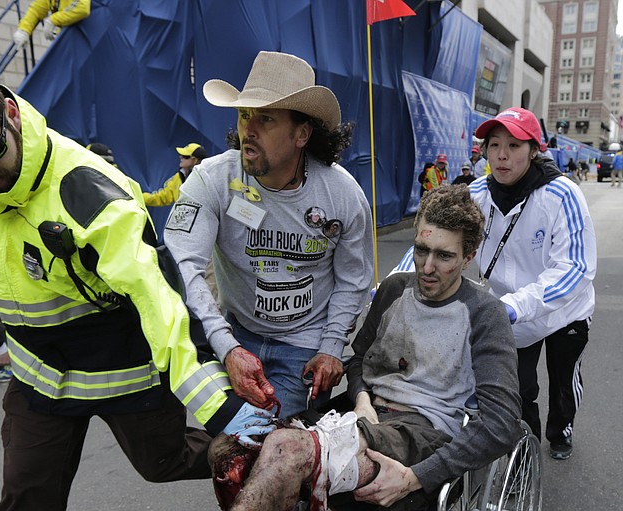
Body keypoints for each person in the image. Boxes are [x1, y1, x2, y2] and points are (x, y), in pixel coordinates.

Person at [0, 55, 274, 511]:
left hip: (123, 368)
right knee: (27, 494)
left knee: (163, 462)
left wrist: (221, 407)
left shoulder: (87, 191)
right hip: (40, 374)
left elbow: (157, 297)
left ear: (10, 115)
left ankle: (261, 455)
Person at [209, 185, 522, 511]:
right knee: (227, 452)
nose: (427, 267)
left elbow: (501, 423)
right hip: (363, 415)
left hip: (423, 432)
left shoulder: (484, 314)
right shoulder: (394, 290)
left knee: (287, 452)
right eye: (421, 249)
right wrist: (361, 399)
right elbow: (359, 359)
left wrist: (415, 478)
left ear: (468, 257)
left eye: (444, 256)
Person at [163, 51, 374, 419]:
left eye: (266, 119)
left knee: (278, 455)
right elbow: (181, 266)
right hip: (234, 332)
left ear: (302, 134)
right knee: (232, 453)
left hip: (305, 345)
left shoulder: (343, 196)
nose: (249, 129)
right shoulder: (211, 180)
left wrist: (329, 347)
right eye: (244, 115)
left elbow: (353, 280)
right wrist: (226, 347)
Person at [396, 107, 596, 461]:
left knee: (563, 383)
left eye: (514, 145)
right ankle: (524, 458)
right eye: (494, 144)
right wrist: (394, 283)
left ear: (534, 150)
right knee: (516, 390)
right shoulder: (474, 193)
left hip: (564, 310)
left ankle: (561, 429)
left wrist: (516, 305)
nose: (502, 155)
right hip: (508, 313)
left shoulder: (562, 195)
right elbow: (431, 235)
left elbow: (576, 267)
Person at [143, 143, 208, 207]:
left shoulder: (207, 178)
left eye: (185, 156)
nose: (181, 157)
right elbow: (163, 197)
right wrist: (139, 197)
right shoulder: (178, 177)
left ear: (195, 160)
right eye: (181, 155)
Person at [12, 0, 90, 49]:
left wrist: (52, 20)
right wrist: (23, 30)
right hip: (67, 41)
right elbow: (36, 10)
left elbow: (82, 6)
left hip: (85, 39)